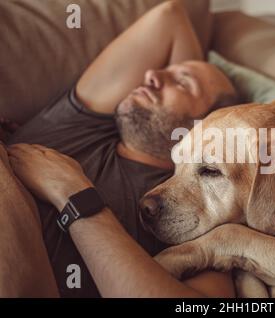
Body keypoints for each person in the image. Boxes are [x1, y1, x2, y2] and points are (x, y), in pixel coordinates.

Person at [2, 0, 238, 297]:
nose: (153, 75)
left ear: (205, 128)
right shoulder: (77, 124)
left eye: (181, 82)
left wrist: (74, 194)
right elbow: (170, 16)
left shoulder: (194, 211)